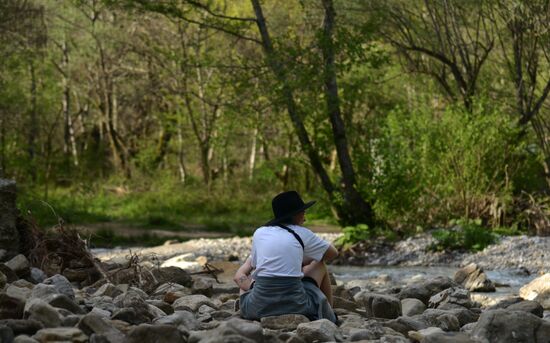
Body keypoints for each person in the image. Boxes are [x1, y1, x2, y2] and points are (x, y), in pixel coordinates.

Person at [233, 190, 339, 322]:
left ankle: (245, 308)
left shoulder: (260, 232)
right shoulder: (302, 233)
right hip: (297, 306)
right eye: (303, 212)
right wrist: (305, 260)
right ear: (296, 215)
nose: (305, 217)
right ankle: (328, 314)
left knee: (253, 275)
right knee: (319, 263)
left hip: (258, 308)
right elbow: (333, 253)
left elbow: (242, 274)